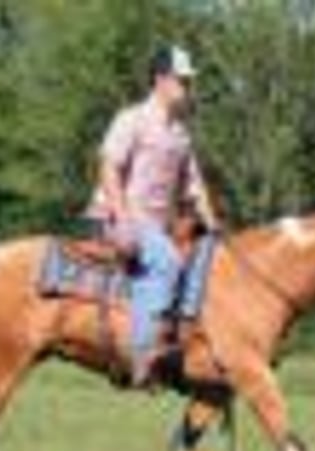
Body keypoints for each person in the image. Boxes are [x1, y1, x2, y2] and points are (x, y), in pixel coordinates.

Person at [86, 45, 218, 387]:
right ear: (160, 80)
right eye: (182, 80)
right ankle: (141, 356)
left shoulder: (181, 134)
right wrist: (123, 218)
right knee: (167, 262)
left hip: (156, 227)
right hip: (118, 217)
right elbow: (108, 168)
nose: (188, 87)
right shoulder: (132, 119)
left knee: (203, 261)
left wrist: (215, 228)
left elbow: (194, 187)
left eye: (189, 81)